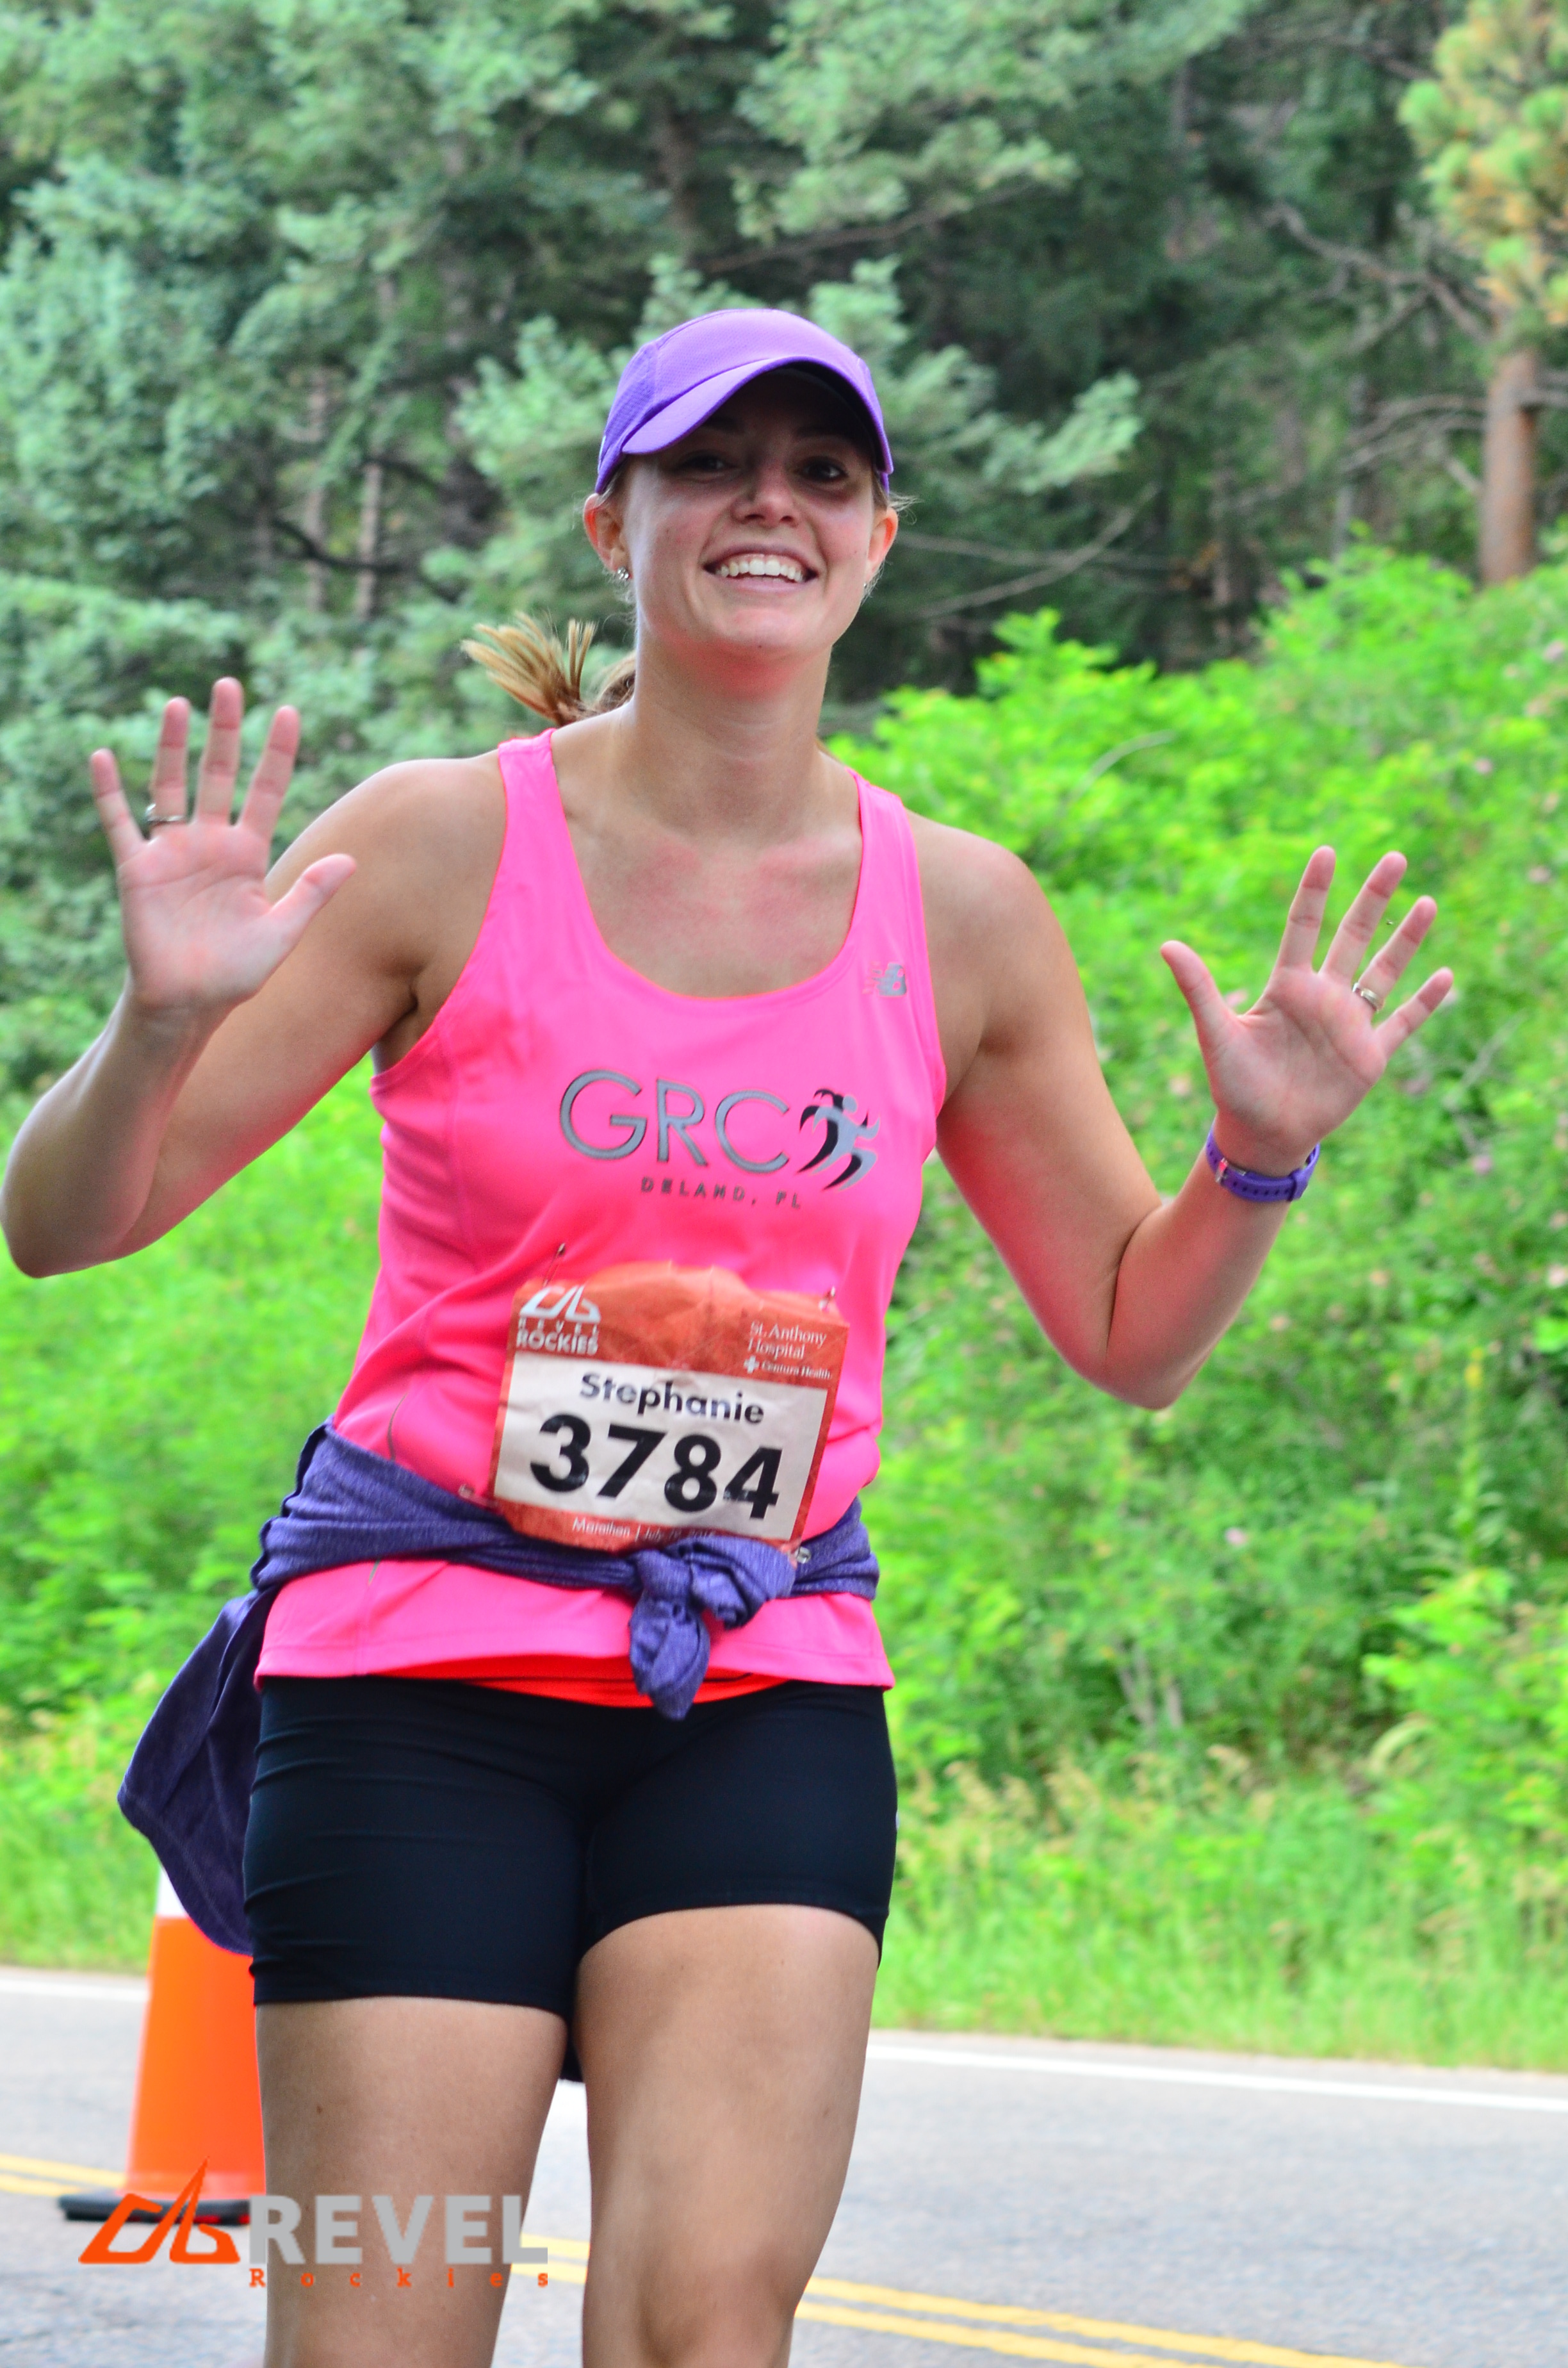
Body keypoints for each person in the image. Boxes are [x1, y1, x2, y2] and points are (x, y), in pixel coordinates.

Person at [0, 308, 1451, 2368]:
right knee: (382, 2330)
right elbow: (66, 1225)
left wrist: (1258, 1160)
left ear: (878, 539)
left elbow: (1134, 1332)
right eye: (713, 464)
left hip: (757, 1689)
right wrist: (155, 1024)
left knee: (705, 2330)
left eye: (821, 472)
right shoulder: (439, 844)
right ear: (619, 522)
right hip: (418, 1693)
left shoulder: (961, 916)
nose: (771, 503)